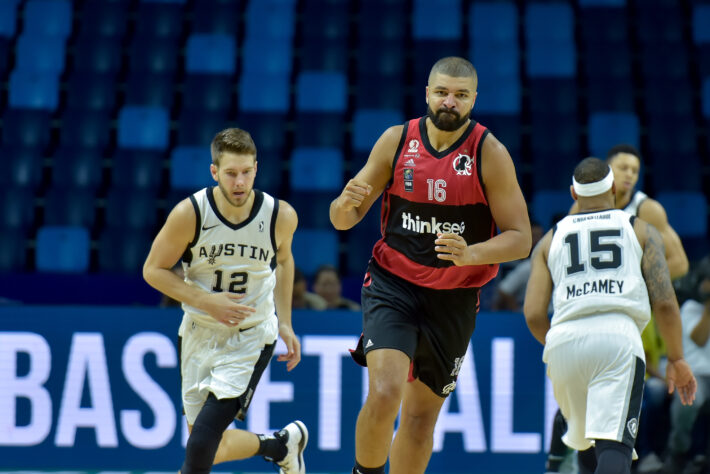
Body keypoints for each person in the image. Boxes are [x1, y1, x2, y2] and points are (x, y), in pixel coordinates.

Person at [330, 56, 532, 474]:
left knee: (421, 422)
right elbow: (343, 218)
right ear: (427, 93)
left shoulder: (489, 152)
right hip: (393, 285)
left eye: (460, 95)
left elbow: (521, 239)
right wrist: (342, 206)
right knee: (385, 393)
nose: (449, 102)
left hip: (454, 297)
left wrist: (471, 253)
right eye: (441, 92)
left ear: (474, 99)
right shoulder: (396, 140)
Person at [142, 128, 308, 474]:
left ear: (256, 169)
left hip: (249, 336)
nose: (239, 182)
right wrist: (208, 302)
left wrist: (286, 322)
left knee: (201, 445)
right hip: (199, 332)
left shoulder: (280, 215)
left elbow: (285, 260)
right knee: (206, 447)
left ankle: (278, 447)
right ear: (214, 172)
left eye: (247, 172)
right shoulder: (190, 214)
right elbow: (153, 270)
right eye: (231, 173)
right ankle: (279, 446)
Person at [524, 157, 697, 474]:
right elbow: (666, 303)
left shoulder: (550, 239)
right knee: (614, 448)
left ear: (573, 195)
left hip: (563, 340)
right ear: (614, 188)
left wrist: (559, 343)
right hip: (618, 338)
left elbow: (534, 314)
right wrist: (677, 358)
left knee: (588, 448)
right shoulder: (640, 229)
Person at [661, 261, 710, 473]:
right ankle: (677, 450)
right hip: (696, 376)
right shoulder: (691, 308)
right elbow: (699, 338)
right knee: (688, 401)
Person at [492, 220, 544, 312]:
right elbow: (504, 290)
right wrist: (516, 311)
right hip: (524, 312)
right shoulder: (526, 266)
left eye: (539, 236)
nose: (536, 240)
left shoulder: (542, 261)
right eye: (533, 236)